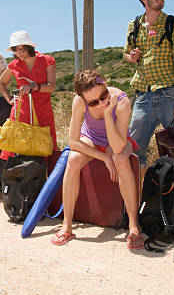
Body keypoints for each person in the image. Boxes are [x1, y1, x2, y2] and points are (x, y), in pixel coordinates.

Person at [52, 70, 143, 250]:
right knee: (73, 159)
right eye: (94, 102)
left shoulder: (121, 101)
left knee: (121, 159)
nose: (101, 103)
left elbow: (117, 146)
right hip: (92, 140)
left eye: (103, 96)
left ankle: (134, 225)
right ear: (84, 100)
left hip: (117, 140)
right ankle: (67, 225)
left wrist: (108, 114)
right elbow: (73, 141)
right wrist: (103, 157)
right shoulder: (79, 102)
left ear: (106, 85)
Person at [123, 0, 174, 181]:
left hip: (169, 95)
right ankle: (141, 196)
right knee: (133, 152)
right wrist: (131, 57)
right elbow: (125, 53)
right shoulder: (134, 25)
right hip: (142, 95)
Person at [0, 30, 57, 159]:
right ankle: (17, 177)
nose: (19, 53)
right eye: (15, 50)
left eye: (22, 49)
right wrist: (9, 100)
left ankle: (48, 178)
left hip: (43, 110)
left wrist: (34, 87)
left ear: (29, 47)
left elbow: (51, 87)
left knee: (45, 146)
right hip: (21, 111)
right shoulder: (14, 65)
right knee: (16, 147)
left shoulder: (47, 60)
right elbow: (1, 83)